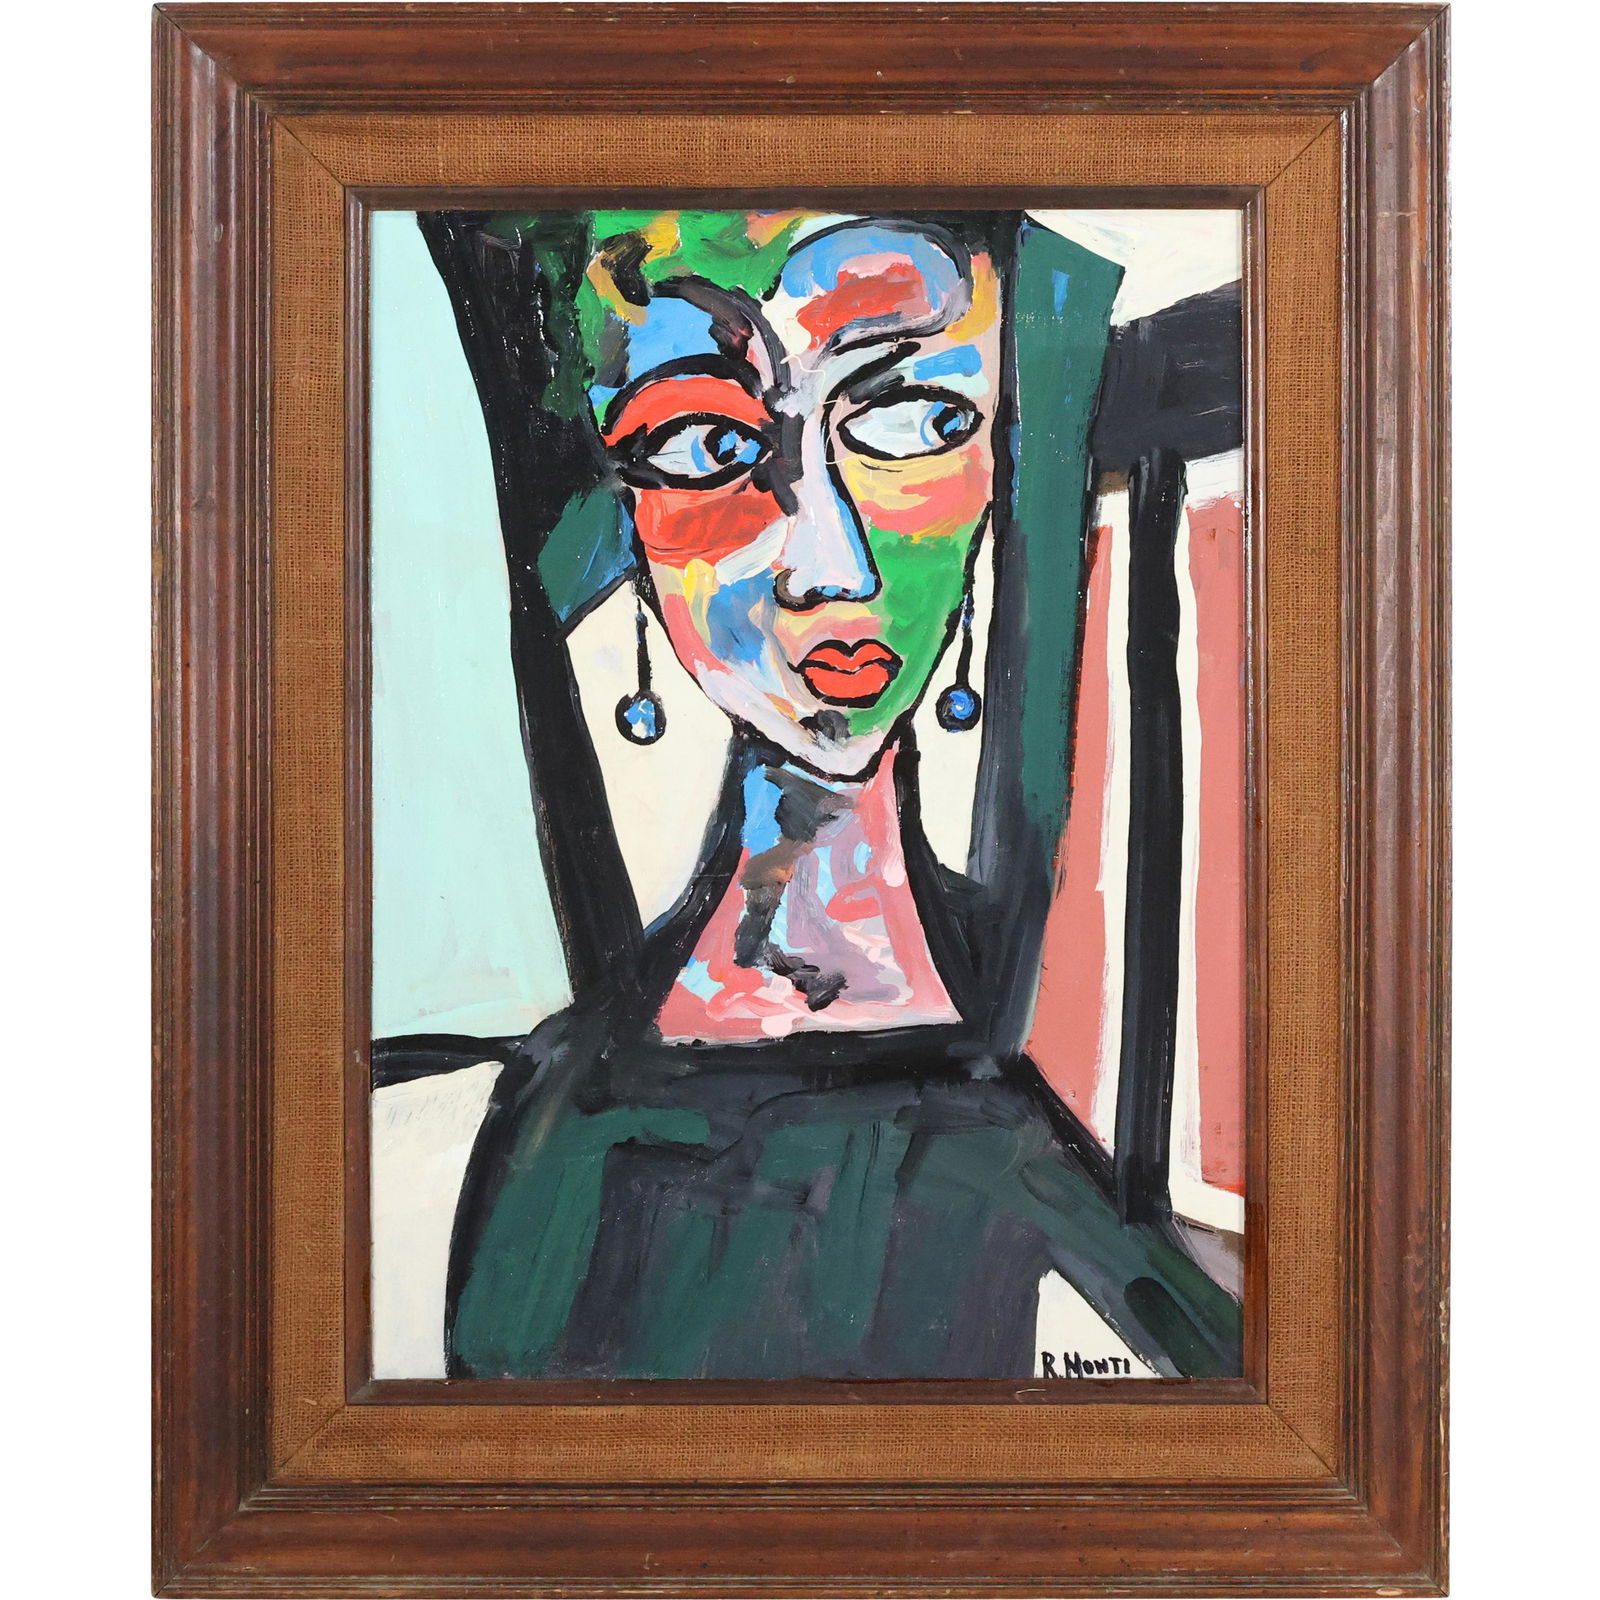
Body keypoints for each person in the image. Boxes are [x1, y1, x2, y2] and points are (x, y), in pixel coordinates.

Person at [407, 208, 1242, 1380]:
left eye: (916, 421)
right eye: (702, 443)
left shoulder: (1061, 1094)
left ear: (997, 468)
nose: (828, 565)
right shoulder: (552, 1132)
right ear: (627, 525)